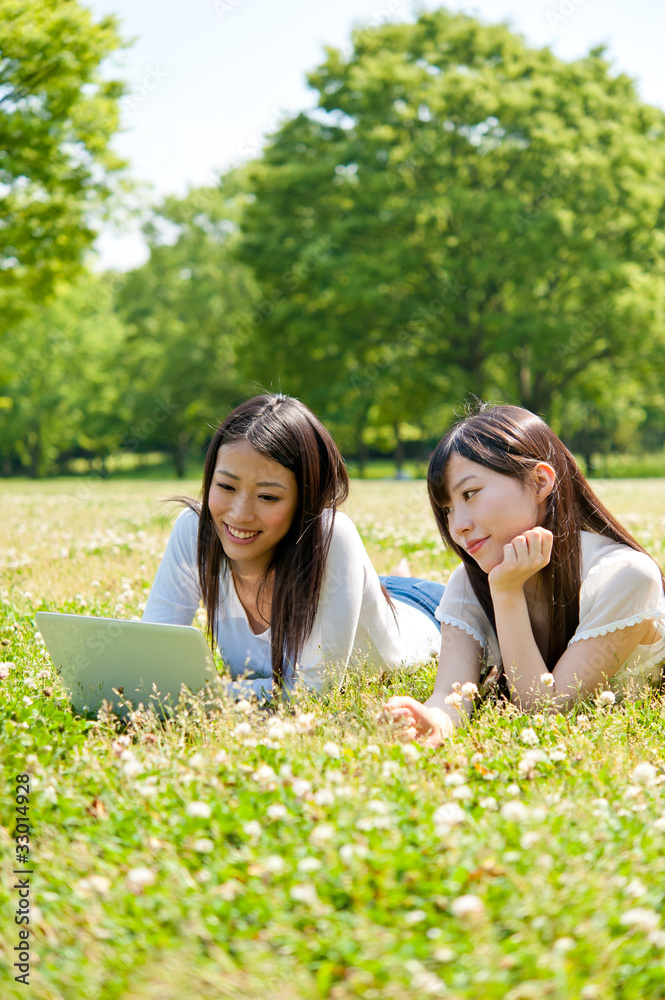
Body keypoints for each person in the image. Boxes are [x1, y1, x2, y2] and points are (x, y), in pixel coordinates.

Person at [386, 404, 665, 746]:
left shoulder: (625, 577)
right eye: (447, 509)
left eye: (469, 494)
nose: (457, 526)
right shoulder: (470, 579)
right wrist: (436, 720)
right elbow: (450, 693)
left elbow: (543, 711)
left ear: (539, 482)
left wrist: (506, 593)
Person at [143, 393, 441, 699]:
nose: (239, 514)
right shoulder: (196, 529)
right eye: (226, 486)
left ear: (306, 501)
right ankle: (385, 580)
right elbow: (150, 654)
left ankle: (392, 581)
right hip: (355, 590)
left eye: (268, 497)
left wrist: (203, 693)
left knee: (389, 593)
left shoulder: (329, 535)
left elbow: (314, 689)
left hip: (427, 609)